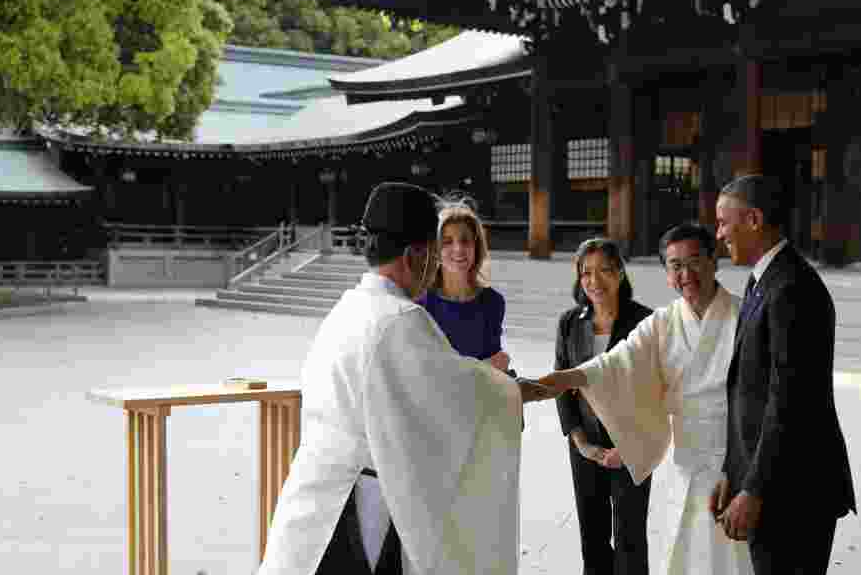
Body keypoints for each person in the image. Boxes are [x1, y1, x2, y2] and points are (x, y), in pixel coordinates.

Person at [258, 182, 553, 575]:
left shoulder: (347, 310)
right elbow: (457, 395)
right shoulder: (400, 320)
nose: (437, 263)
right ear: (416, 254)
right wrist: (516, 389)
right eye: (434, 250)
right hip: (362, 500)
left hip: (317, 492)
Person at [538, 225, 753, 575]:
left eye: (694, 262)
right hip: (687, 461)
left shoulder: (744, 317)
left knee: (727, 557)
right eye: (675, 266)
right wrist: (554, 383)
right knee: (684, 554)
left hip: (734, 460)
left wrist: (744, 473)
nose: (686, 274)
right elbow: (614, 363)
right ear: (666, 273)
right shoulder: (664, 322)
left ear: (715, 261)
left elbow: (758, 401)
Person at [710, 174, 856, 575]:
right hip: (770, 481)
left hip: (795, 491)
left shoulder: (792, 287)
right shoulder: (762, 280)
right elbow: (749, 392)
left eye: (724, 222)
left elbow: (789, 402)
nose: (719, 234)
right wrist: (733, 471)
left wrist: (753, 490)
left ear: (754, 219)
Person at [552, 238, 654, 575]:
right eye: (586, 273)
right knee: (592, 536)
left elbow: (654, 393)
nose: (594, 281)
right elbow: (562, 384)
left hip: (631, 446)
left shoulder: (645, 322)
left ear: (621, 273)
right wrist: (580, 441)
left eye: (604, 271)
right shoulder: (570, 322)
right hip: (585, 445)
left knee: (630, 537)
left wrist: (629, 447)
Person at [418, 199, 510, 372]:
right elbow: (424, 373)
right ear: (435, 250)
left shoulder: (492, 302)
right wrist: (486, 367)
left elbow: (497, 373)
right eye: (447, 241)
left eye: (465, 240)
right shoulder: (420, 305)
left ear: (476, 247)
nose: (458, 248)